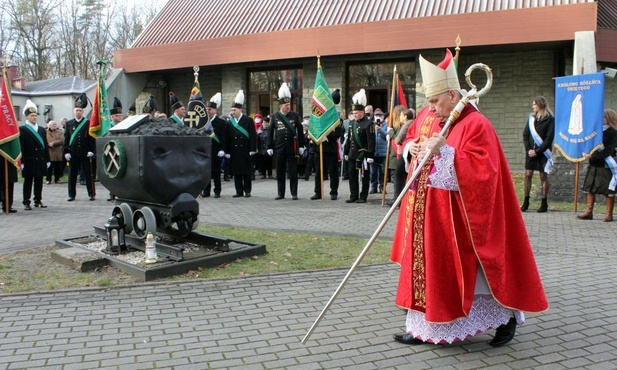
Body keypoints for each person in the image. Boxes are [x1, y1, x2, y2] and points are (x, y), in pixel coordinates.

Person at [391, 49, 548, 347]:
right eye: (429, 102)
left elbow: (484, 172)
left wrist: (446, 153)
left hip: (466, 221)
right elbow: (419, 145)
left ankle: (507, 321)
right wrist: (418, 149)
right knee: (433, 271)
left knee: (482, 275)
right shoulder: (438, 119)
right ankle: (425, 326)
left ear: (452, 95)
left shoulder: (477, 124)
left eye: (435, 101)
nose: (431, 108)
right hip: (434, 216)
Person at [577, 108, 617, 221]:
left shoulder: (613, 133)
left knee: (608, 190)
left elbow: (608, 150)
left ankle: (609, 214)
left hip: (606, 164)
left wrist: (594, 156)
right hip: (594, 164)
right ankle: (588, 211)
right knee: (590, 188)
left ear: (608, 119)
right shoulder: (595, 131)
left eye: (603, 117)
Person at [267, 83, 305, 200]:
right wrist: (269, 146)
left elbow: (300, 129)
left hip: (292, 148)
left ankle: (294, 193)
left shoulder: (295, 115)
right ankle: (280, 193)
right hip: (279, 148)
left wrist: (301, 145)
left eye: (289, 104)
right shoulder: (275, 116)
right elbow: (270, 132)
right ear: (280, 106)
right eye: (286, 105)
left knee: (293, 172)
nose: (288, 107)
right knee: (280, 171)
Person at [521, 96, 555, 213]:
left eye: (534, 104)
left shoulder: (550, 119)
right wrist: (529, 150)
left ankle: (544, 202)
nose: (533, 106)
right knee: (528, 174)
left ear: (540, 105)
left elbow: (549, 138)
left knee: (543, 176)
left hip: (543, 152)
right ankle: (526, 201)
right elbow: (525, 135)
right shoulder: (531, 119)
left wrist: (538, 151)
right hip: (531, 152)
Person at [344, 89, 375, 203]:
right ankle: (353, 195)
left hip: (363, 153)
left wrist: (370, 155)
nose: (355, 115)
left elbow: (371, 141)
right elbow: (349, 138)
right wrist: (346, 152)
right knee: (352, 175)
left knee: (364, 176)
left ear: (362, 112)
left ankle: (363, 196)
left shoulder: (368, 124)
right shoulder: (352, 123)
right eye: (353, 113)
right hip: (352, 153)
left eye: (357, 113)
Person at [64, 93, 96, 201]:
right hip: (73, 153)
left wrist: (92, 150)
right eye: (76, 110)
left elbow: (91, 138)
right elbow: (66, 139)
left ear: (83, 112)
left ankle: (91, 194)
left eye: (80, 110)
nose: (78, 112)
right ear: (74, 111)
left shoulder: (87, 123)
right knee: (72, 175)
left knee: (88, 174)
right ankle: (71, 194)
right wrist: (66, 152)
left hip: (85, 153)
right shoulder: (69, 124)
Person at [19, 100, 50, 210]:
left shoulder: (41, 129)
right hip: (29, 160)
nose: (34, 117)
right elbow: (21, 147)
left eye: (35, 115)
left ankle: (38, 200)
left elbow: (45, 145)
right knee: (28, 181)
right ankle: (26, 201)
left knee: (39, 180)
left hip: (40, 159)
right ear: (26, 117)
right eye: (32, 115)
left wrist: (48, 159)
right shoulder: (22, 130)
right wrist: (21, 161)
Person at [225, 90, 256, 198]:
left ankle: (247, 190)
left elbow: (253, 135)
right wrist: (227, 151)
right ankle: (239, 191)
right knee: (236, 171)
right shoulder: (229, 122)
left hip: (245, 149)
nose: (233, 112)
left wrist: (253, 149)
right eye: (232, 110)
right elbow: (227, 138)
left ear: (240, 110)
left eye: (234, 110)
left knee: (246, 171)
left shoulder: (248, 120)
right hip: (234, 150)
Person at [310, 116, 345, 201]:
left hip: (331, 150)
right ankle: (318, 192)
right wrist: (318, 137)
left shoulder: (336, 121)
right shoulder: (316, 119)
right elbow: (312, 131)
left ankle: (333, 192)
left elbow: (338, 133)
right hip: (319, 149)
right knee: (318, 172)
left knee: (333, 172)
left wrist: (326, 135)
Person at [386, 106, 414, 205]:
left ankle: (398, 200)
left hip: (405, 152)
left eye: (401, 115)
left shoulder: (407, 124)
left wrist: (391, 132)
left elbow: (398, 139)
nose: (400, 117)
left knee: (398, 176)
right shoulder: (409, 123)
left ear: (405, 116)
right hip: (406, 152)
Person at [203, 92, 227, 198]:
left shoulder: (220, 122)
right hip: (205, 150)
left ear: (215, 110)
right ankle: (206, 191)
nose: (208, 111)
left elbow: (223, 138)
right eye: (207, 109)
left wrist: (223, 149)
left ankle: (217, 191)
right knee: (206, 172)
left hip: (216, 150)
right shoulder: (203, 122)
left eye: (210, 109)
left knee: (216, 172)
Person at [106, 97, 123, 201]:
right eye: (117, 115)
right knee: (112, 173)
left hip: (121, 152)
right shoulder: (108, 126)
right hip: (111, 152)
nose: (120, 117)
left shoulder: (124, 125)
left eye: (121, 115)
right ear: (112, 117)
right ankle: (112, 193)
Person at [370, 108, 387, 194]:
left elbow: (387, 137)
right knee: (373, 171)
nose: (378, 117)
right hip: (373, 152)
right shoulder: (371, 125)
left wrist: (380, 130)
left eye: (380, 115)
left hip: (383, 152)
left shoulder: (386, 125)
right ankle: (373, 186)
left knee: (382, 171)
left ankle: (382, 186)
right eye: (376, 115)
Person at [45, 120, 64, 184]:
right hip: (48, 151)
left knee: (57, 167)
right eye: (53, 125)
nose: (54, 126)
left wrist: (53, 143)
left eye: (55, 124)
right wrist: (48, 144)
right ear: (49, 125)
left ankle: (57, 179)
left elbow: (61, 140)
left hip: (57, 152)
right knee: (49, 167)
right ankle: (48, 179)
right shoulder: (45, 132)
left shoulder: (60, 132)